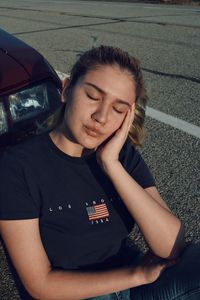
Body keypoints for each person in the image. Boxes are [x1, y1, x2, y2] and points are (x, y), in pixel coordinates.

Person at [0, 45, 199, 300]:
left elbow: (172, 246)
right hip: (74, 292)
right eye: (93, 96)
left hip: (134, 282)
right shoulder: (17, 167)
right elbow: (40, 284)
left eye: (118, 109)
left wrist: (112, 166)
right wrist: (137, 274)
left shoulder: (120, 155)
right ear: (66, 89)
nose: (101, 117)